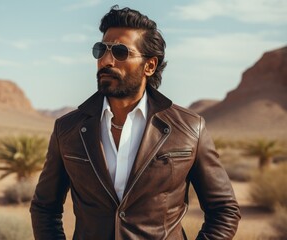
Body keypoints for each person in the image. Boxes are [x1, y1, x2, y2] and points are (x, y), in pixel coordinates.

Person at [30, 5, 241, 240]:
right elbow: (45, 208)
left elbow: (224, 210)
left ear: (149, 66)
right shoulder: (67, 129)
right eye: (101, 50)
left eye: (120, 52)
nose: (106, 60)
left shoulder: (190, 128)